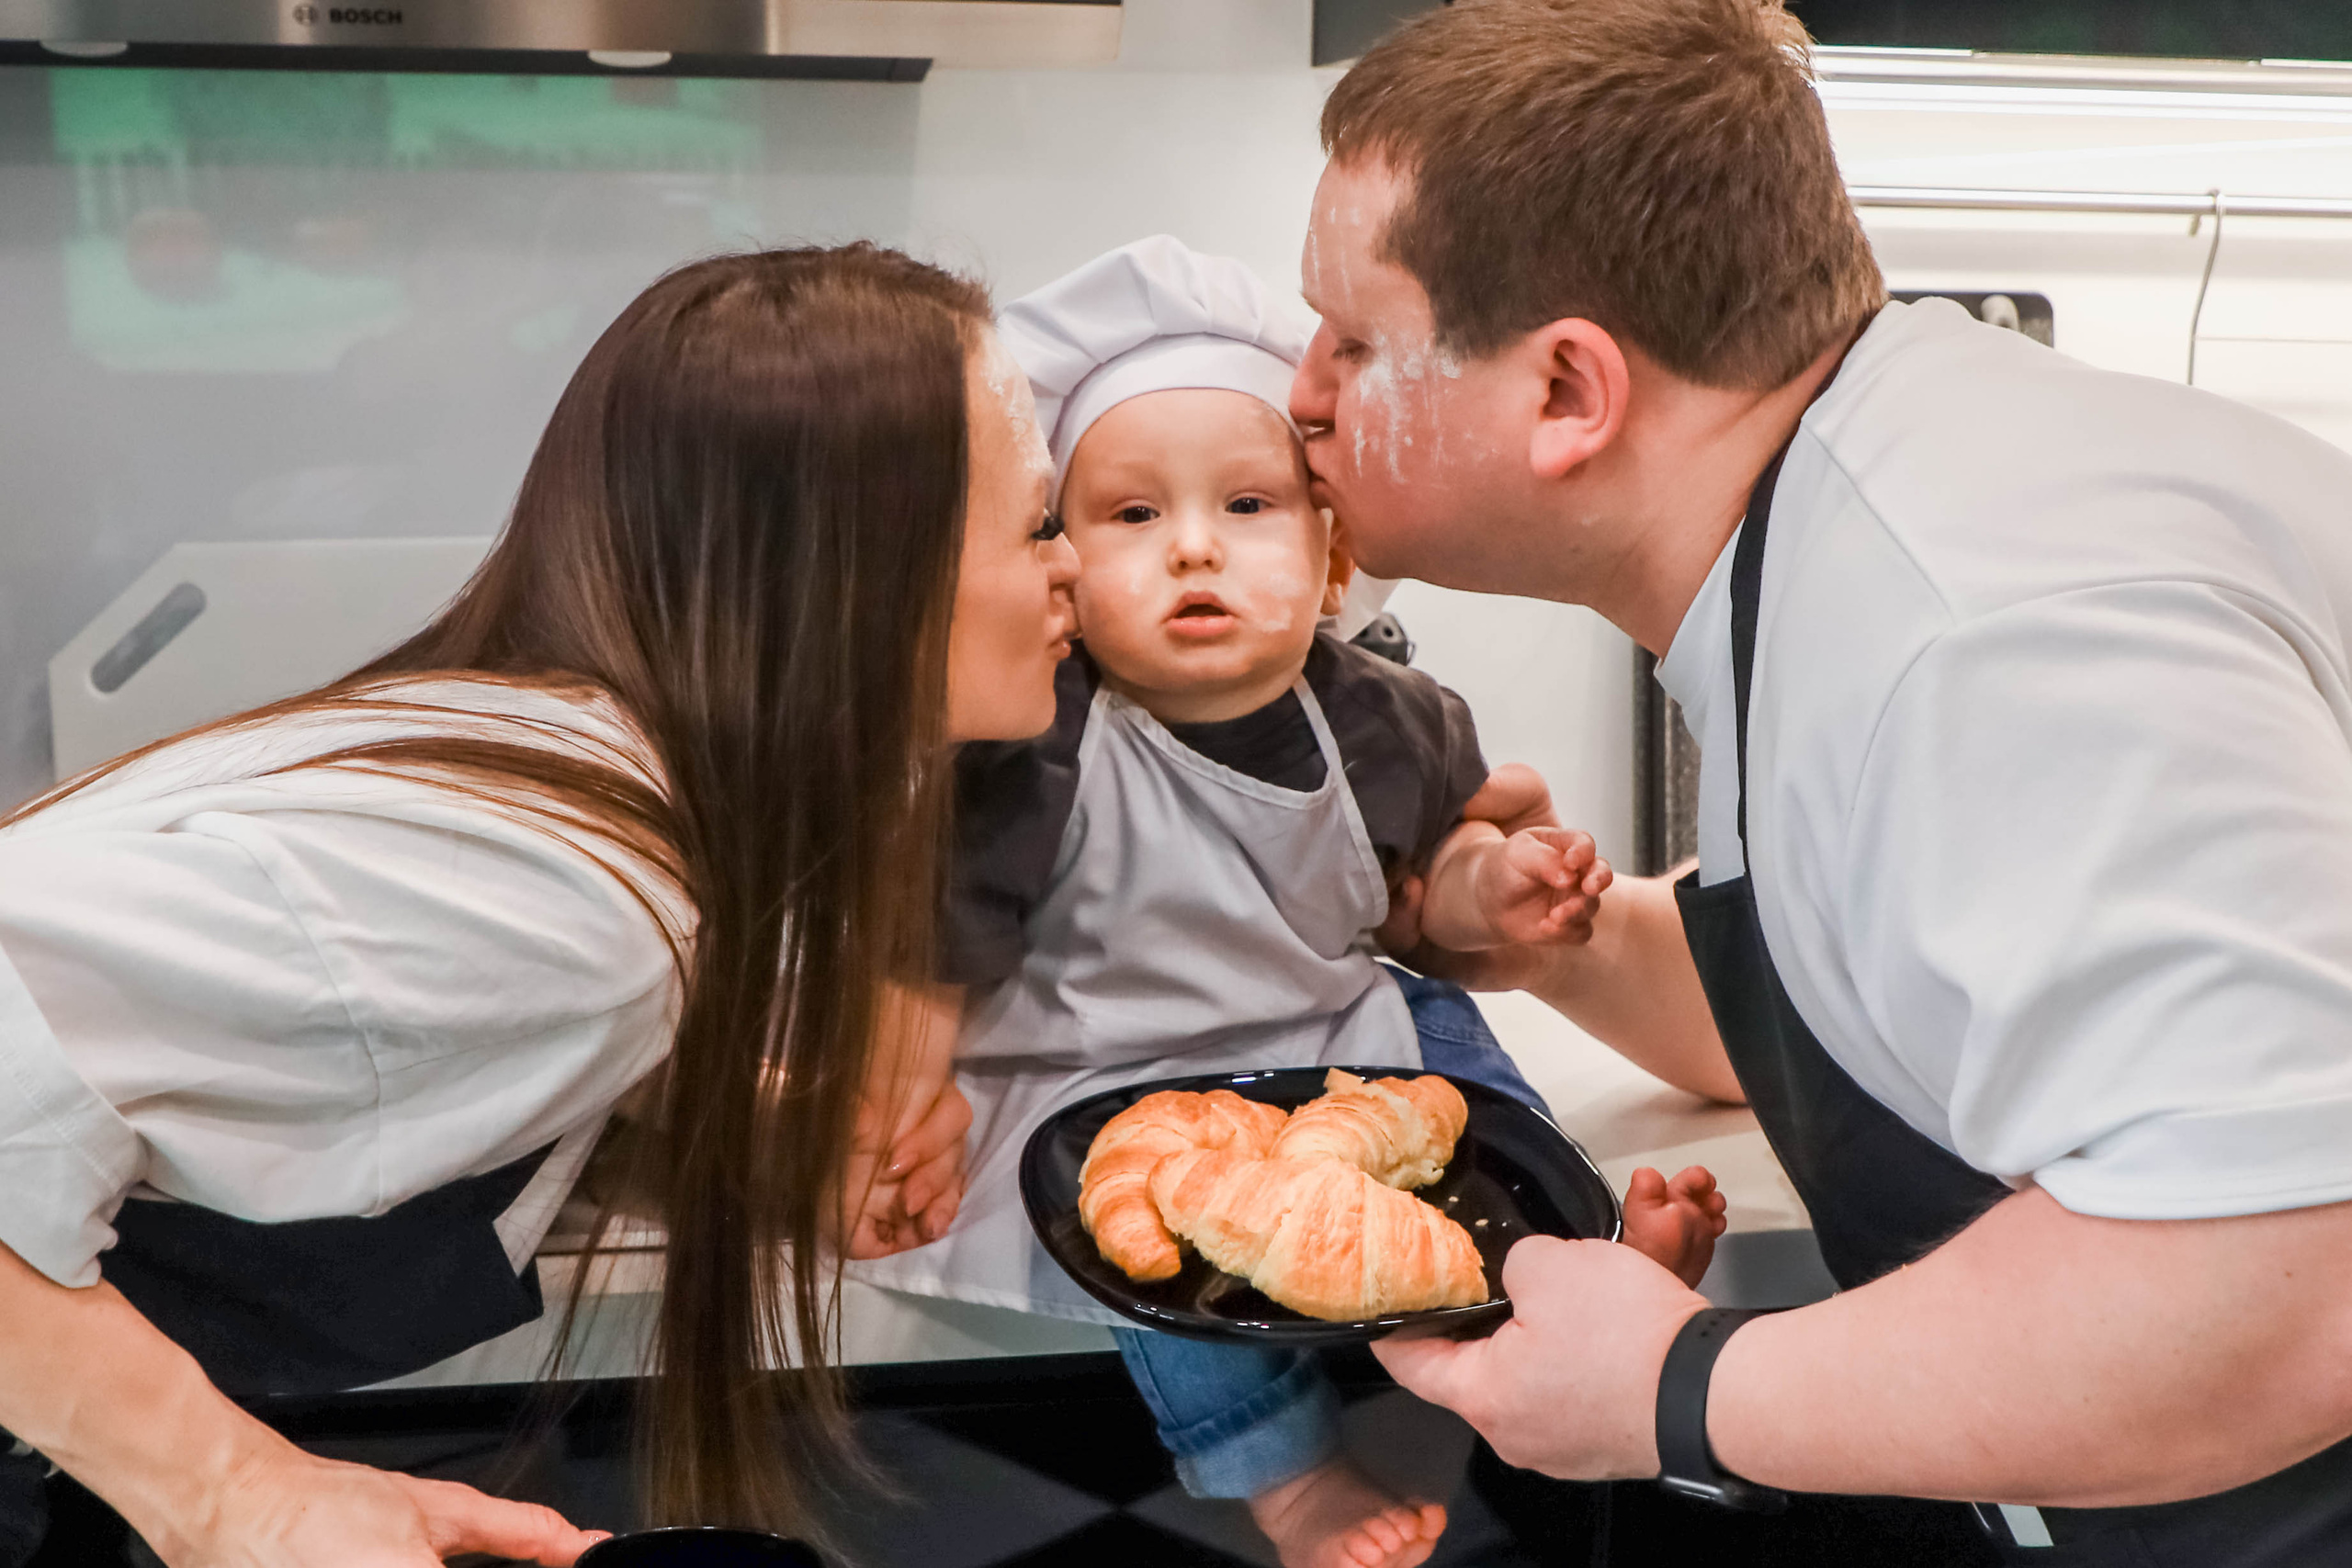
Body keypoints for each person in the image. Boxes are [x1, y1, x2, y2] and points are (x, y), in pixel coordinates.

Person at [1283, 1, 2352, 1562]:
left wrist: (1673, 1389)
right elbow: (1899, 1003)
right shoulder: (1845, 513)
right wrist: (1549, 943)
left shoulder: (1980, 631)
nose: (1302, 393)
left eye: (1351, 343)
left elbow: (2279, 1284)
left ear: (1569, 392)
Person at [0, 243, 1080, 1566]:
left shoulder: (568, 775)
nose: (1075, 567)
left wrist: (719, 1126)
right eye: (1038, 525)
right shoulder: (578, 894)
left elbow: (323, 1094)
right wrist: (230, 1492)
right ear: (856, 571)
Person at [847, 237, 1726, 1568]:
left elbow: (1421, 903)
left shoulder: (1392, 716)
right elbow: (937, 947)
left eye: (1247, 505)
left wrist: (1499, 891)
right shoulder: (1036, 732)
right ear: (1061, 570)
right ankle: (1284, 1468)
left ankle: (1580, 1258)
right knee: (1161, 1276)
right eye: (1132, 517)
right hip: (1107, 1073)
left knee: (1468, 1084)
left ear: (1329, 557)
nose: (1194, 547)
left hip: (1325, 1045)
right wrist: (896, 1107)